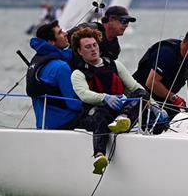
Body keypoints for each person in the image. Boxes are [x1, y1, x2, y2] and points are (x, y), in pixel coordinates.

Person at [70, 28, 165, 174]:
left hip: (119, 113)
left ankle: (124, 118)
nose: (93, 49)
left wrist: (153, 104)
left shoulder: (115, 65)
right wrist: (105, 98)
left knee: (141, 93)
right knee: (100, 116)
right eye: (87, 47)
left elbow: (134, 86)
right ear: (79, 51)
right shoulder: (78, 73)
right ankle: (99, 156)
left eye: (95, 45)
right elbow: (83, 94)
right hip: (95, 112)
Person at [133, 27, 188, 118]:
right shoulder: (167, 52)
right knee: (159, 123)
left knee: (178, 120)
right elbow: (151, 82)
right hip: (142, 95)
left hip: (164, 98)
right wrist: (174, 98)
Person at [26, 21, 83, 129]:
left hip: (42, 125)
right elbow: (73, 104)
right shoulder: (61, 67)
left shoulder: (36, 61)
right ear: (51, 42)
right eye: (60, 33)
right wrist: (98, 101)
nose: (66, 33)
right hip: (64, 123)